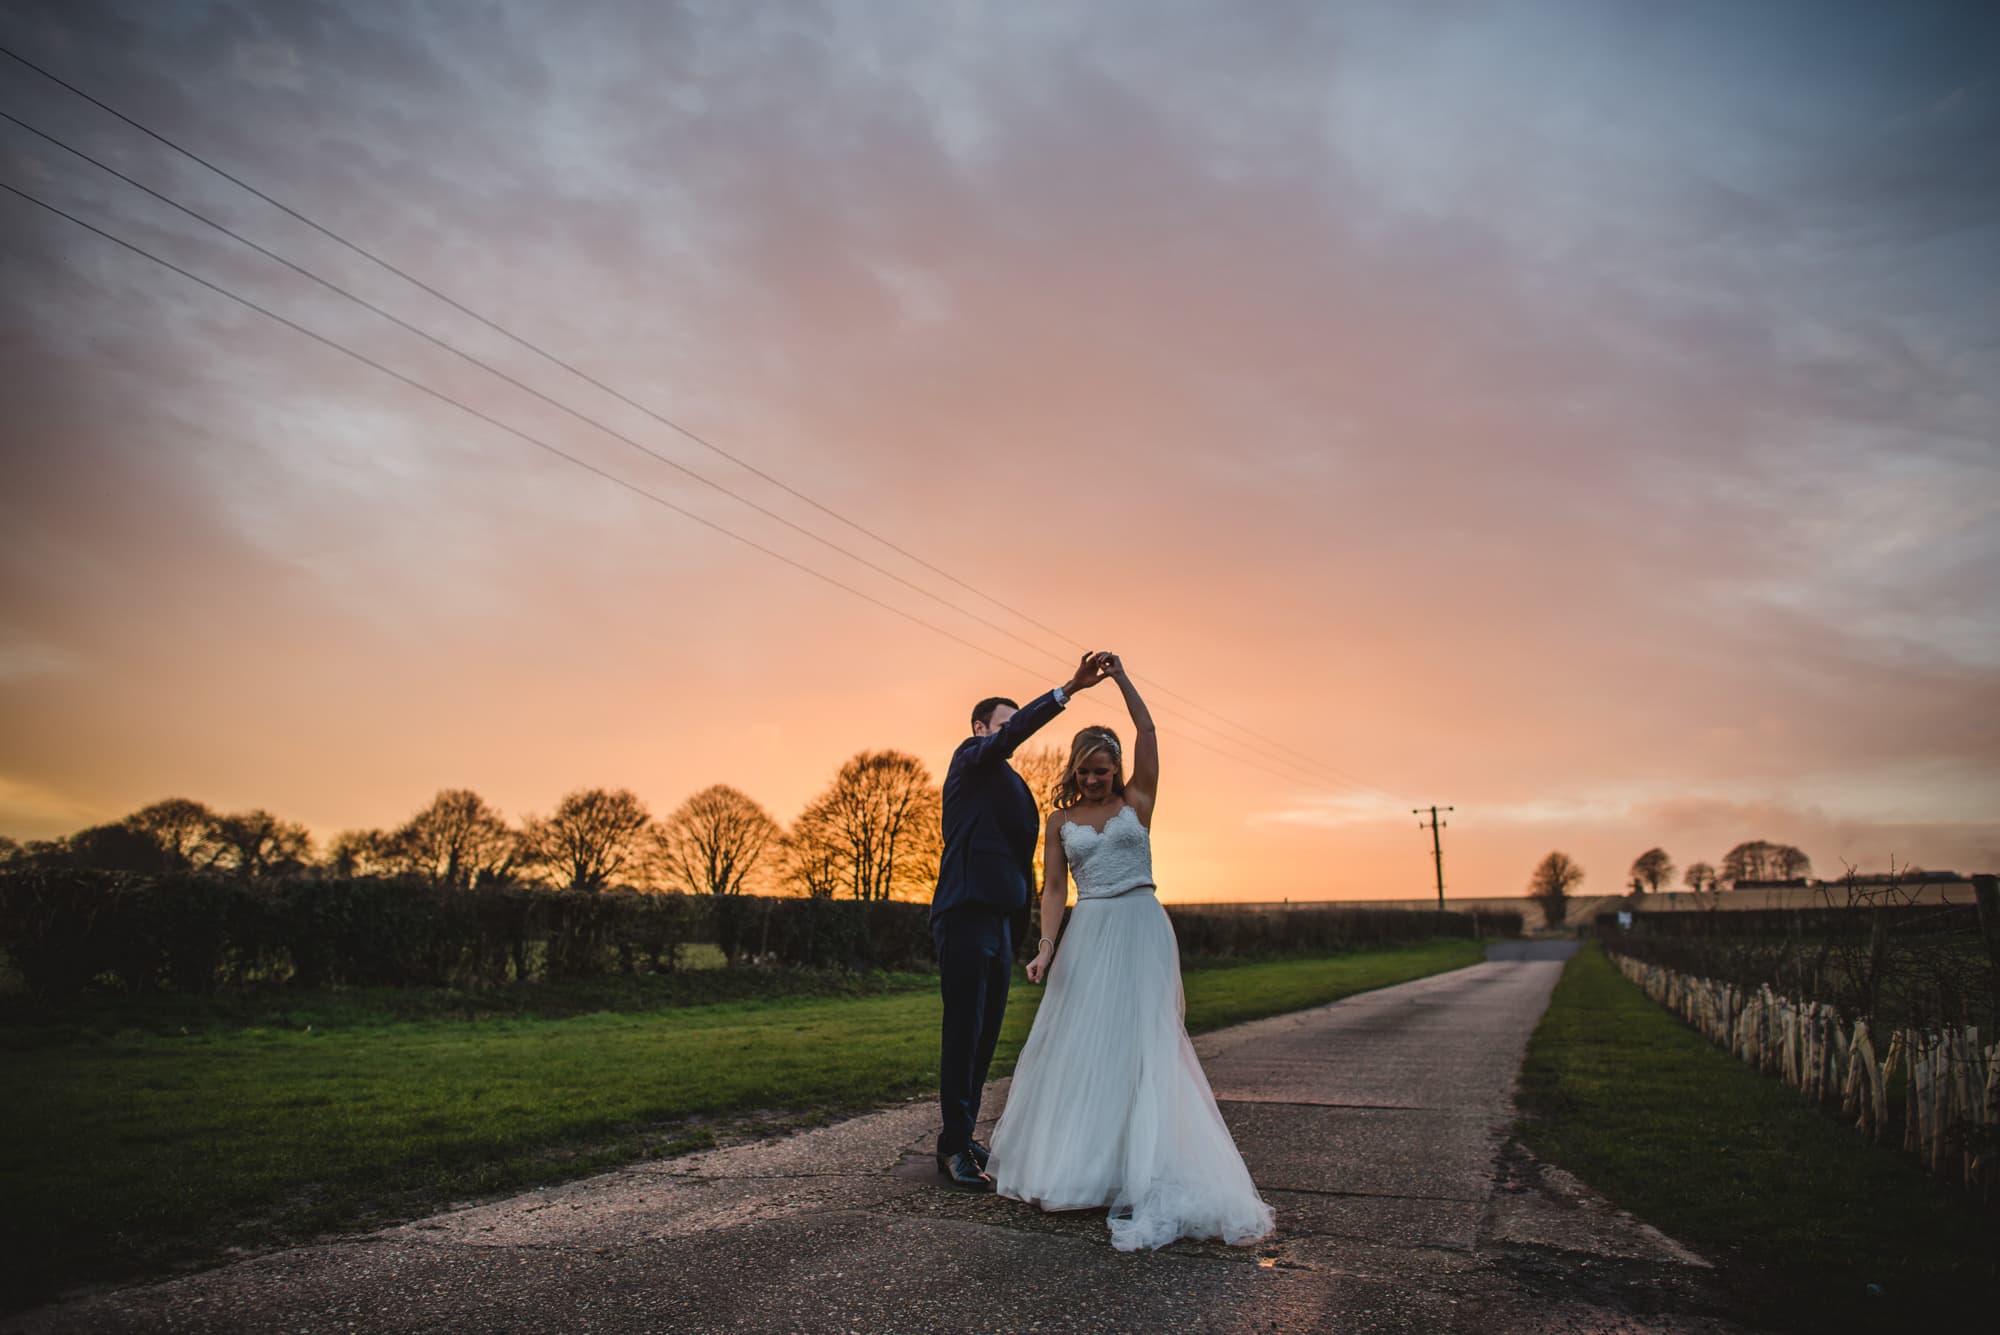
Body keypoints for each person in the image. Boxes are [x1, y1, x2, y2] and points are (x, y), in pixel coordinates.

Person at [988, 653, 1276, 1249]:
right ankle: (1085, 1167)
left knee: (1144, 1042)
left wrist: (1118, 679)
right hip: (1089, 932)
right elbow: (1053, 889)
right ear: (1075, 770)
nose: (1096, 779)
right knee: (1084, 1044)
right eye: (1088, 771)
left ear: (1117, 769)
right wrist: (1045, 948)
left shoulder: (1137, 803)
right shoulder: (1059, 820)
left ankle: (1142, 1167)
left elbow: (1147, 730)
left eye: (1104, 769)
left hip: (1142, 924)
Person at [931, 651, 1113, 1190]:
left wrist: (1027, 928)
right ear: (980, 728)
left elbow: (1023, 860)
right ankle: (952, 1147)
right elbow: (1008, 739)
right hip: (964, 915)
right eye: (1002, 725)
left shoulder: (1009, 784)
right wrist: (1067, 691)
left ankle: (961, 1135)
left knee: (985, 1036)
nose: (1009, 733)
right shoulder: (971, 759)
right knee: (962, 1033)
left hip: (999, 924)